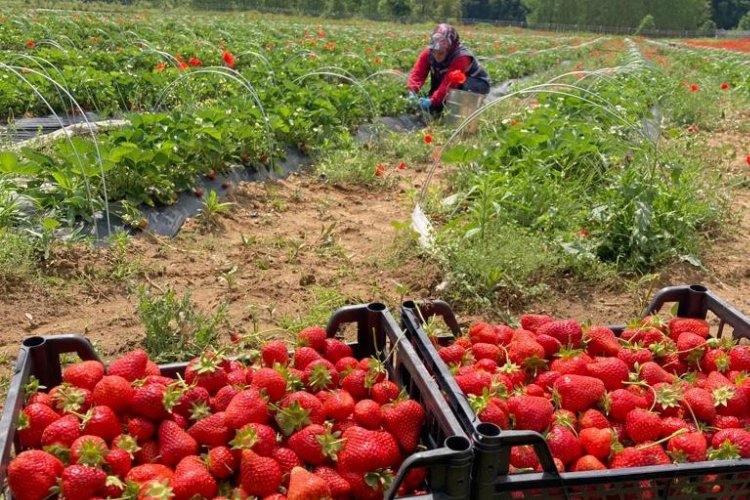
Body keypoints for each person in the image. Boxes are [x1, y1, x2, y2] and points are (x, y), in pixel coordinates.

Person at [406, 24, 491, 113]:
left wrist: (432, 101)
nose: (436, 56)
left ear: (449, 48)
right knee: (436, 105)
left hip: (476, 84)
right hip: (450, 81)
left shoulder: (461, 57)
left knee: (451, 102)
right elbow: (418, 73)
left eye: (441, 53)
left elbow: (450, 83)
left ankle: (467, 110)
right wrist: (412, 91)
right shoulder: (428, 52)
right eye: (434, 52)